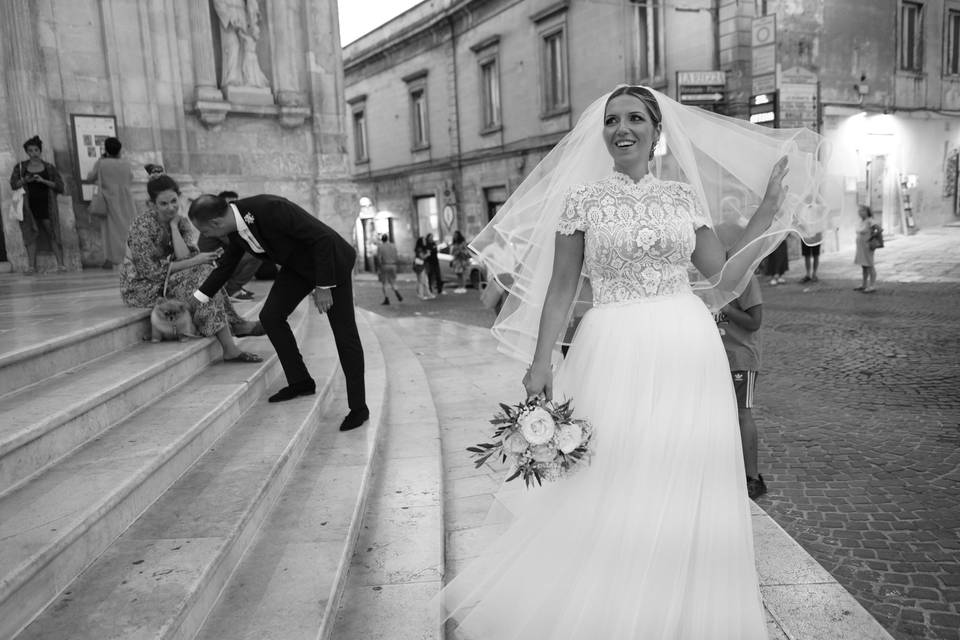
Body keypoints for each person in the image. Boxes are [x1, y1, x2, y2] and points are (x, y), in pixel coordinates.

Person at [439, 84, 828, 639]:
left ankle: (684, 607)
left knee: (684, 472)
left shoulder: (680, 198)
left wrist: (767, 210)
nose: (622, 128)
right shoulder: (583, 200)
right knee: (616, 476)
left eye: (635, 119)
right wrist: (541, 361)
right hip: (614, 347)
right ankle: (615, 607)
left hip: (687, 349)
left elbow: (721, 275)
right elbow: (561, 286)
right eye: (612, 120)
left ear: (656, 131)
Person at [187, 193, 369, 431]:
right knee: (271, 317)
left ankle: (359, 408)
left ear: (215, 224)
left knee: (345, 335)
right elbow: (226, 267)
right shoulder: (234, 229)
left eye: (206, 232)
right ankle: (300, 381)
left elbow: (322, 239)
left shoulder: (270, 208)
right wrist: (197, 299)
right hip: (298, 268)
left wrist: (324, 285)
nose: (206, 237)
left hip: (331, 264)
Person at [119, 174, 262, 363]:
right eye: (163, 204)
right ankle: (234, 331)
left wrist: (174, 227)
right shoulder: (141, 227)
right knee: (201, 275)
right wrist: (195, 261)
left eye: (173, 201)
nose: (170, 207)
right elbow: (152, 272)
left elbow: (185, 257)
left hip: (172, 276)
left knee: (205, 272)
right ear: (151, 204)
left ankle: (232, 337)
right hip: (143, 286)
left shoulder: (182, 222)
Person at [716, 274, 767, 500]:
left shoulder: (744, 277)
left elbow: (755, 322)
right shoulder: (701, 279)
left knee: (741, 413)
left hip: (740, 358)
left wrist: (725, 307)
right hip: (713, 356)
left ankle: (753, 479)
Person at [9, 136, 68, 273]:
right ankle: (31, 266)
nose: (33, 153)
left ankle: (61, 264)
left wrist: (43, 181)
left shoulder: (49, 167)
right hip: (28, 207)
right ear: (27, 152)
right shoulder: (21, 167)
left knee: (53, 233)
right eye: (30, 150)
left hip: (47, 206)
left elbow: (60, 187)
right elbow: (13, 185)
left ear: (40, 151)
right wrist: (25, 180)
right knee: (30, 236)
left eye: (36, 150)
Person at [197, 190, 262, 301]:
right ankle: (232, 289)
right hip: (212, 264)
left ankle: (233, 286)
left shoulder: (222, 220)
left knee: (254, 252)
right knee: (255, 254)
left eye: (234, 203)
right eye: (228, 204)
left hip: (220, 259)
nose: (231, 207)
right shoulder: (218, 223)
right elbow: (237, 242)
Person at [87, 137, 138, 270]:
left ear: (106, 149)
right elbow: (131, 178)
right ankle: (131, 255)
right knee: (128, 228)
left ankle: (111, 259)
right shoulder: (126, 164)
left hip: (109, 200)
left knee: (111, 231)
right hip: (126, 200)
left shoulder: (102, 163)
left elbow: (90, 177)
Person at [854, 205, 878, 293]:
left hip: (868, 246)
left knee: (870, 265)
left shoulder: (870, 221)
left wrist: (872, 240)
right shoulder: (861, 221)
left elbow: (877, 231)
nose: (860, 212)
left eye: (862, 211)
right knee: (864, 265)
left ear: (867, 211)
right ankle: (864, 284)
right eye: (859, 211)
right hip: (861, 247)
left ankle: (872, 285)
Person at [375, 234, 402, 305]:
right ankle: (396, 291)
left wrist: (379, 267)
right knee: (393, 282)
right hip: (393, 265)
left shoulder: (380, 247)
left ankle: (387, 298)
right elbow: (397, 256)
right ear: (388, 238)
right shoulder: (393, 246)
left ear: (382, 240)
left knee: (384, 283)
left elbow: (379, 258)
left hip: (385, 265)